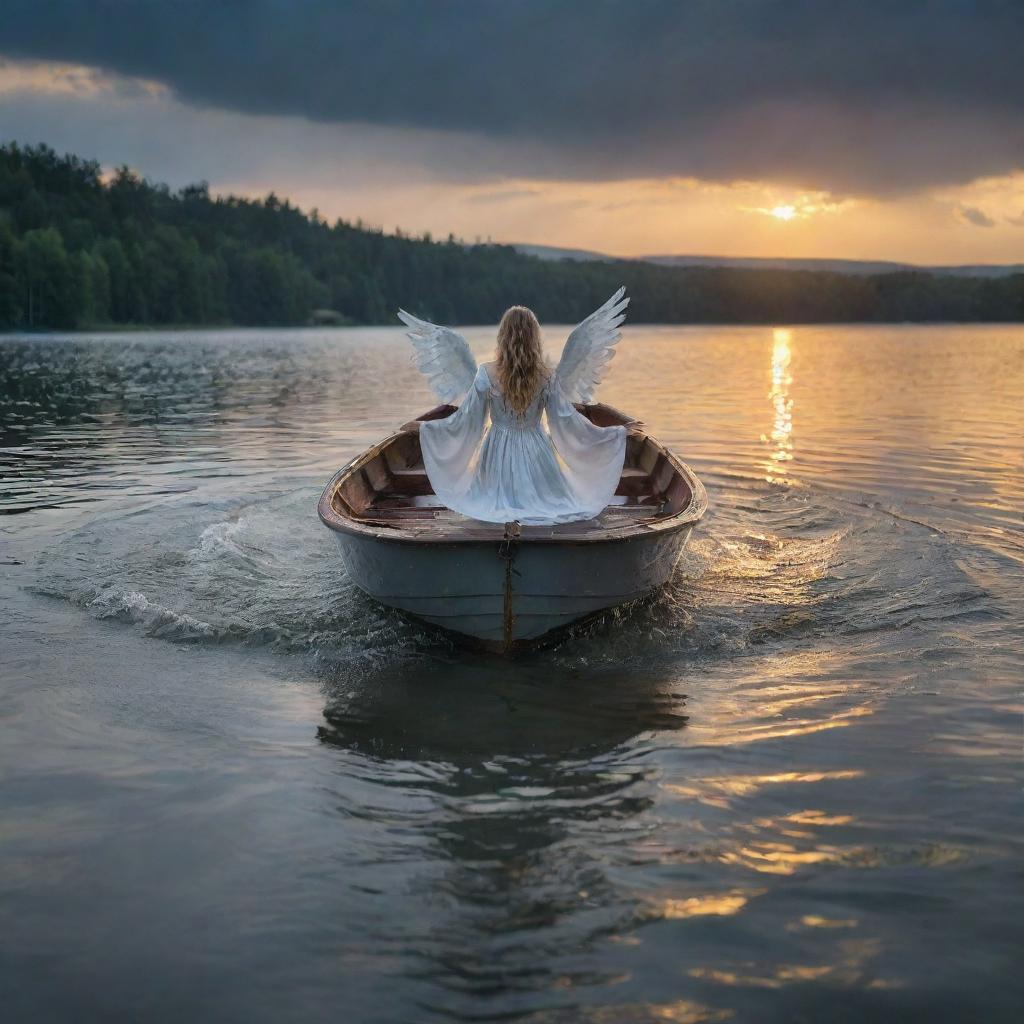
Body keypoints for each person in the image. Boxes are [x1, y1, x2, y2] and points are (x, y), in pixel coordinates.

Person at [398, 288, 640, 525]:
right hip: (537, 450)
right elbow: (567, 421)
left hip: (497, 450)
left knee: (490, 503)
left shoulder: (486, 373)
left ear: (503, 336)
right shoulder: (547, 376)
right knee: (551, 504)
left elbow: (466, 421)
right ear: (535, 337)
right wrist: (616, 433)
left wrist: (425, 429)